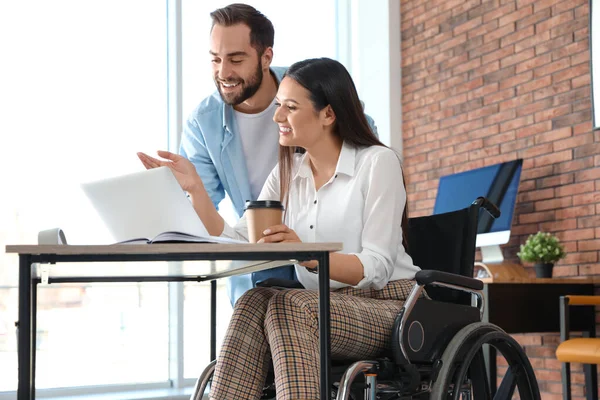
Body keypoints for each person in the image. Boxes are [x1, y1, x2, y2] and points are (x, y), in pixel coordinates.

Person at [138, 57, 420, 400]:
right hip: (319, 304)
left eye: (290, 107)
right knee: (252, 301)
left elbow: (377, 266)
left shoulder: (377, 163)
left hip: (390, 306)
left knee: (288, 307)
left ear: (328, 114)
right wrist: (195, 189)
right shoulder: (289, 172)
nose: (276, 117)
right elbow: (240, 239)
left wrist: (309, 256)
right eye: (277, 106)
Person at [178, 3, 377, 305]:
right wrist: (189, 190)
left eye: (236, 59)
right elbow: (213, 225)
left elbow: (362, 144)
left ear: (266, 56)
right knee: (251, 308)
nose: (223, 72)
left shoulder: (309, 89)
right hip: (260, 261)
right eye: (215, 59)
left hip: (332, 257)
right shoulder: (203, 123)